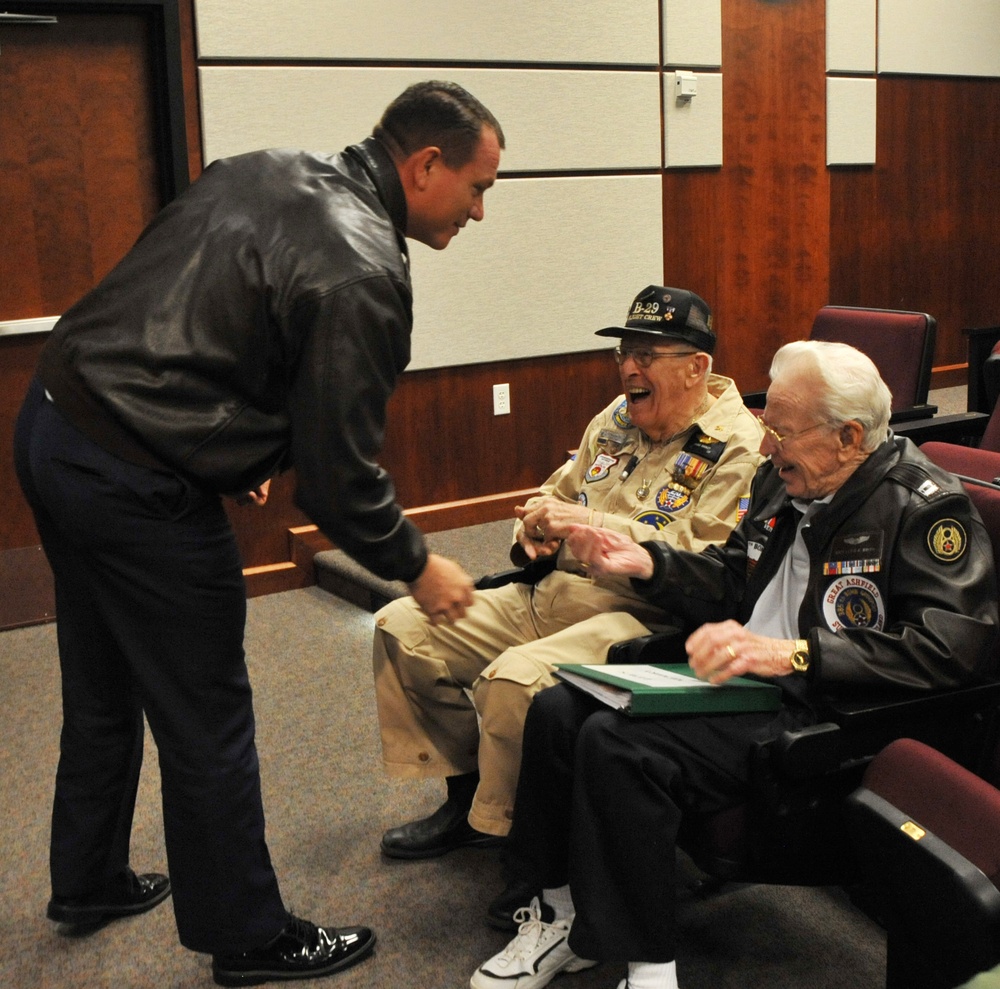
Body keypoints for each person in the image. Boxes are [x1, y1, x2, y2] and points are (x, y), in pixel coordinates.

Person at [13, 80, 504, 986]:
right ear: (425, 164)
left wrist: (236, 435)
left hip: (52, 421)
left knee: (101, 676)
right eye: (477, 188)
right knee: (208, 718)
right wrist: (418, 564)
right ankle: (246, 933)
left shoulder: (265, 169)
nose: (479, 213)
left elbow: (190, 309)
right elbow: (340, 479)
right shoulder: (365, 268)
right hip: (137, 481)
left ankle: (87, 878)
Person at [471, 339, 998, 989]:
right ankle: (559, 912)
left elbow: (953, 649)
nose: (766, 446)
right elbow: (734, 577)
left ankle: (650, 967)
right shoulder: (785, 474)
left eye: (781, 431)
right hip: (741, 679)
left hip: (819, 710)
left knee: (618, 744)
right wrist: (651, 564)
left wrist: (796, 652)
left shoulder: (924, 506)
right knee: (557, 706)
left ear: (850, 435)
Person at [372, 285, 765, 887]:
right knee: (403, 627)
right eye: (623, 353)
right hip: (551, 591)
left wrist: (589, 525)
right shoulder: (616, 416)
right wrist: (532, 533)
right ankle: (468, 796)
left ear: (696, 367)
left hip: (641, 614)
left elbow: (709, 561)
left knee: (514, 682)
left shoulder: (741, 445)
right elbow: (554, 494)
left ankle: (525, 849)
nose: (629, 368)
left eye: (647, 355)